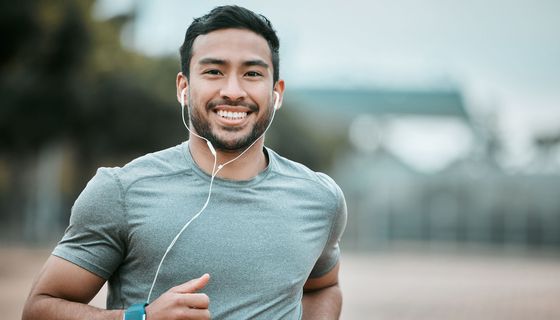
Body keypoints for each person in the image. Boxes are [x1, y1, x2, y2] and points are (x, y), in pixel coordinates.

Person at [22, 5, 347, 320]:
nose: (233, 91)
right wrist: (140, 319)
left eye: (252, 73)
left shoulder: (320, 199)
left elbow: (323, 287)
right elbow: (40, 308)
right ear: (184, 88)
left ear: (276, 92)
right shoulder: (120, 191)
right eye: (213, 71)